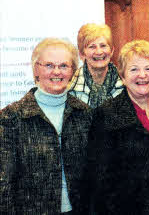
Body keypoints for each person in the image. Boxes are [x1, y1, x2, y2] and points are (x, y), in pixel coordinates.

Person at [0, 38, 91, 214]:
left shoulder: (84, 114)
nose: (56, 72)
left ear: (72, 71)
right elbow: (3, 183)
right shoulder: (11, 118)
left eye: (64, 66)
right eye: (49, 65)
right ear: (36, 69)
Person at [87, 40, 149, 214]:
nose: (142, 75)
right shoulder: (106, 114)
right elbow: (100, 179)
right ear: (123, 76)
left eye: (148, 68)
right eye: (134, 69)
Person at [69, 23, 123, 108]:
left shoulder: (126, 85)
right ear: (82, 54)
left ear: (112, 50)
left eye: (103, 46)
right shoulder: (69, 89)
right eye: (92, 47)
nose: (99, 52)